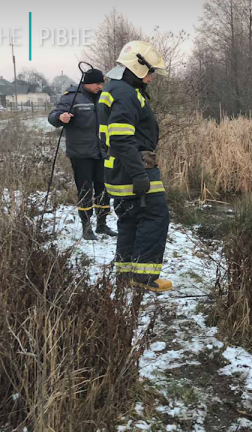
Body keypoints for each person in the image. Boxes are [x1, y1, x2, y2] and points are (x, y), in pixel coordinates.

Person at [97, 41, 172, 293]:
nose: (151, 78)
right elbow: (120, 138)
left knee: (129, 219)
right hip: (133, 167)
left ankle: (127, 273)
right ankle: (144, 277)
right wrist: (140, 174)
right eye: (150, 72)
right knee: (155, 216)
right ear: (137, 67)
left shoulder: (114, 88)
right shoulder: (127, 94)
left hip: (117, 169)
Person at [48, 68, 117, 240]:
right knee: (85, 191)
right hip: (81, 153)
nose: (100, 86)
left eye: (102, 83)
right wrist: (60, 117)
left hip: (102, 151)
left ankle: (102, 225)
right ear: (86, 82)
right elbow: (53, 115)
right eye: (97, 83)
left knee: (103, 190)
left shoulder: (104, 96)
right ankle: (86, 227)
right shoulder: (70, 97)